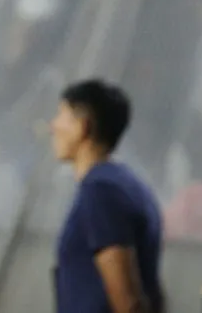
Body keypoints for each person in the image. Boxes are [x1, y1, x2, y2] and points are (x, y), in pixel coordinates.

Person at [49, 79, 164, 313]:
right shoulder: (127, 184)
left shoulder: (101, 191)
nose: (53, 125)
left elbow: (128, 301)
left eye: (61, 115)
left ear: (83, 126)